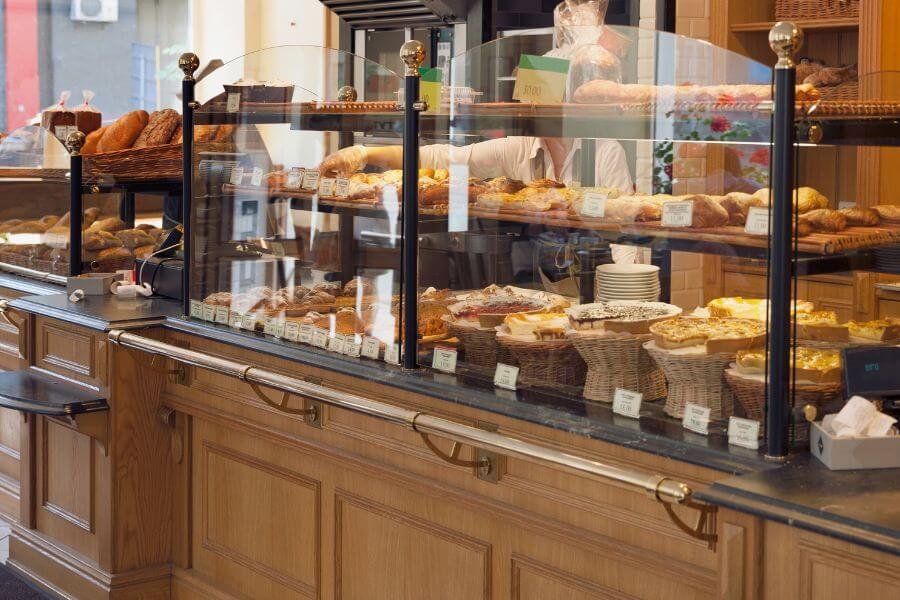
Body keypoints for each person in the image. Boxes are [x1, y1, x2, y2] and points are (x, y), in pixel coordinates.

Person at [318, 136, 634, 192]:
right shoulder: (519, 147)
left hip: (605, 286)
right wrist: (364, 154)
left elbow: (627, 235)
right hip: (548, 283)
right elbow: (443, 158)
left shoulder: (604, 151)